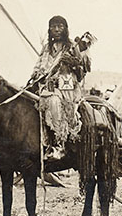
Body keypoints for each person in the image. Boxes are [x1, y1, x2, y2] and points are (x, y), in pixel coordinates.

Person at [31, 15, 91, 160]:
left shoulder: (72, 47)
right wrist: (35, 77)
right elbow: (39, 66)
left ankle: (59, 144)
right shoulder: (47, 48)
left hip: (67, 87)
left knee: (54, 101)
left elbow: (82, 71)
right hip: (46, 86)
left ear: (65, 29)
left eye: (60, 26)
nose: (56, 29)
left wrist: (73, 63)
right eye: (53, 26)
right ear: (49, 29)